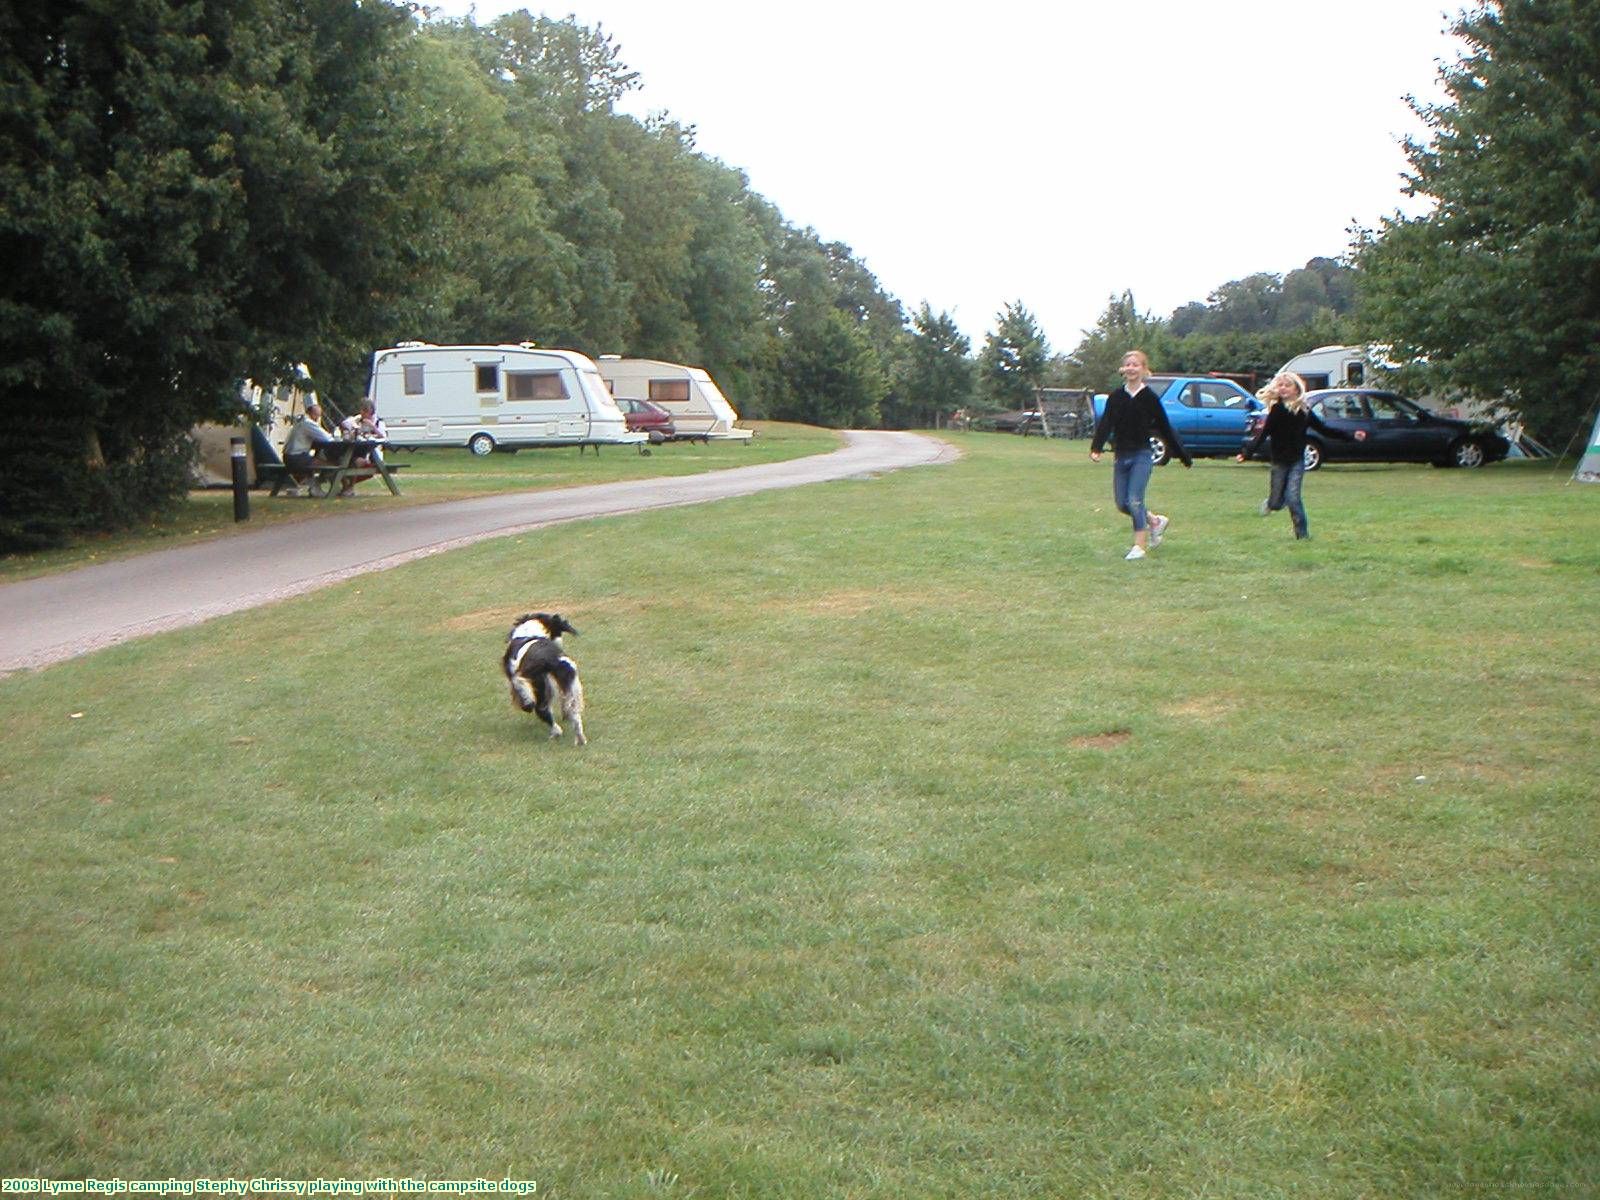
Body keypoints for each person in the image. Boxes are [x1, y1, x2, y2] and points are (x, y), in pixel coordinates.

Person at [1090, 350, 1192, 560]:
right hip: (1122, 455)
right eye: (1127, 364)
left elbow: (1165, 427)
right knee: (1122, 503)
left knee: (1135, 500)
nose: (1131, 368)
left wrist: (1183, 455)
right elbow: (1106, 423)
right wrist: (1097, 447)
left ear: (1144, 369)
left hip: (1142, 456)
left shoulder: (1149, 398)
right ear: (1123, 369)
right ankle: (1154, 521)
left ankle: (1139, 547)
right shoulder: (1116, 397)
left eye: (1135, 364)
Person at [1237, 371, 1355, 539]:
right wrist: (1246, 453)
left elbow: (1324, 429)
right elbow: (1263, 434)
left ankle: (1302, 535)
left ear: (1296, 389)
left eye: (1287, 385)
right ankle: (1272, 502)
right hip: (1279, 461)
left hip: (1296, 461)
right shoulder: (1276, 410)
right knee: (1277, 503)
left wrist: (1349, 436)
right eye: (1280, 385)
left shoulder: (1304, 411)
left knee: (1293, 497)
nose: (1283, 388)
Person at [282, 399, 338, 496]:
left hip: (287, 457)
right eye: (316, 415)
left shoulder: (299, 421)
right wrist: (335, 436)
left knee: (317, 460)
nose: (317, 418)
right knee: (333, 465)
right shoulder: (308, 423)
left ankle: (314, 487)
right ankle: (316, 487)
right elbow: (326, 438)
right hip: (296, 458)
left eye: (318, 416)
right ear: (310, 413)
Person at [336, 398, 388, 496]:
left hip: (374, 455)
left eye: (365, 411)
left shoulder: (379, 422)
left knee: (354, 461)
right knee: (340, 460)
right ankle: (347, 487)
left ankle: (348, 487)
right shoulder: (358, 419)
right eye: (361, 410)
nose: (362, 413)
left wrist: (373, 427)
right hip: (358, 450)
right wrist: (351, 427)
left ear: (371, 412)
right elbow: (345, 423)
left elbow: (384, 438)